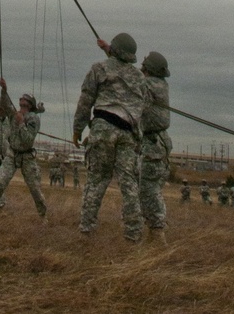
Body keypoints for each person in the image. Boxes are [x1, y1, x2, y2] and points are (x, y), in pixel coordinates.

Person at [72, 32, 147, 243]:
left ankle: (87, 231)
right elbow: (142, 106)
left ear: (113, 49)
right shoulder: (140, 78)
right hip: (128, 133)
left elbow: (86, 100)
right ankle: (133, 236)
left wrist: (78, 128)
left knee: (97, 179)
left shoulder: (99, 69)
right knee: (129, 184)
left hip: (103, 127)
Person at [0, 85, 47, 218]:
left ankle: (43, 216)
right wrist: (3, 89)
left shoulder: (34, 119)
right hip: (12, 155)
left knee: (35, 189)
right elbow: (6, 103)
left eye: (25, 103)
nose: (21, 105)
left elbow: (28, 140)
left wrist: (21, 123)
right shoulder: (13, 114)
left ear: (30, 106)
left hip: (27, 157)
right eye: (21, 102)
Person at [138, 50, 171, 245]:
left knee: (149, 190)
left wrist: (114, 55)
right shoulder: (160, 85)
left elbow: (130, 79)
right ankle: (154, 235)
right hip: (160, 142)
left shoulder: (149, 85)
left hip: (153, 143)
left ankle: (158, 235)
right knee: (151, 190)